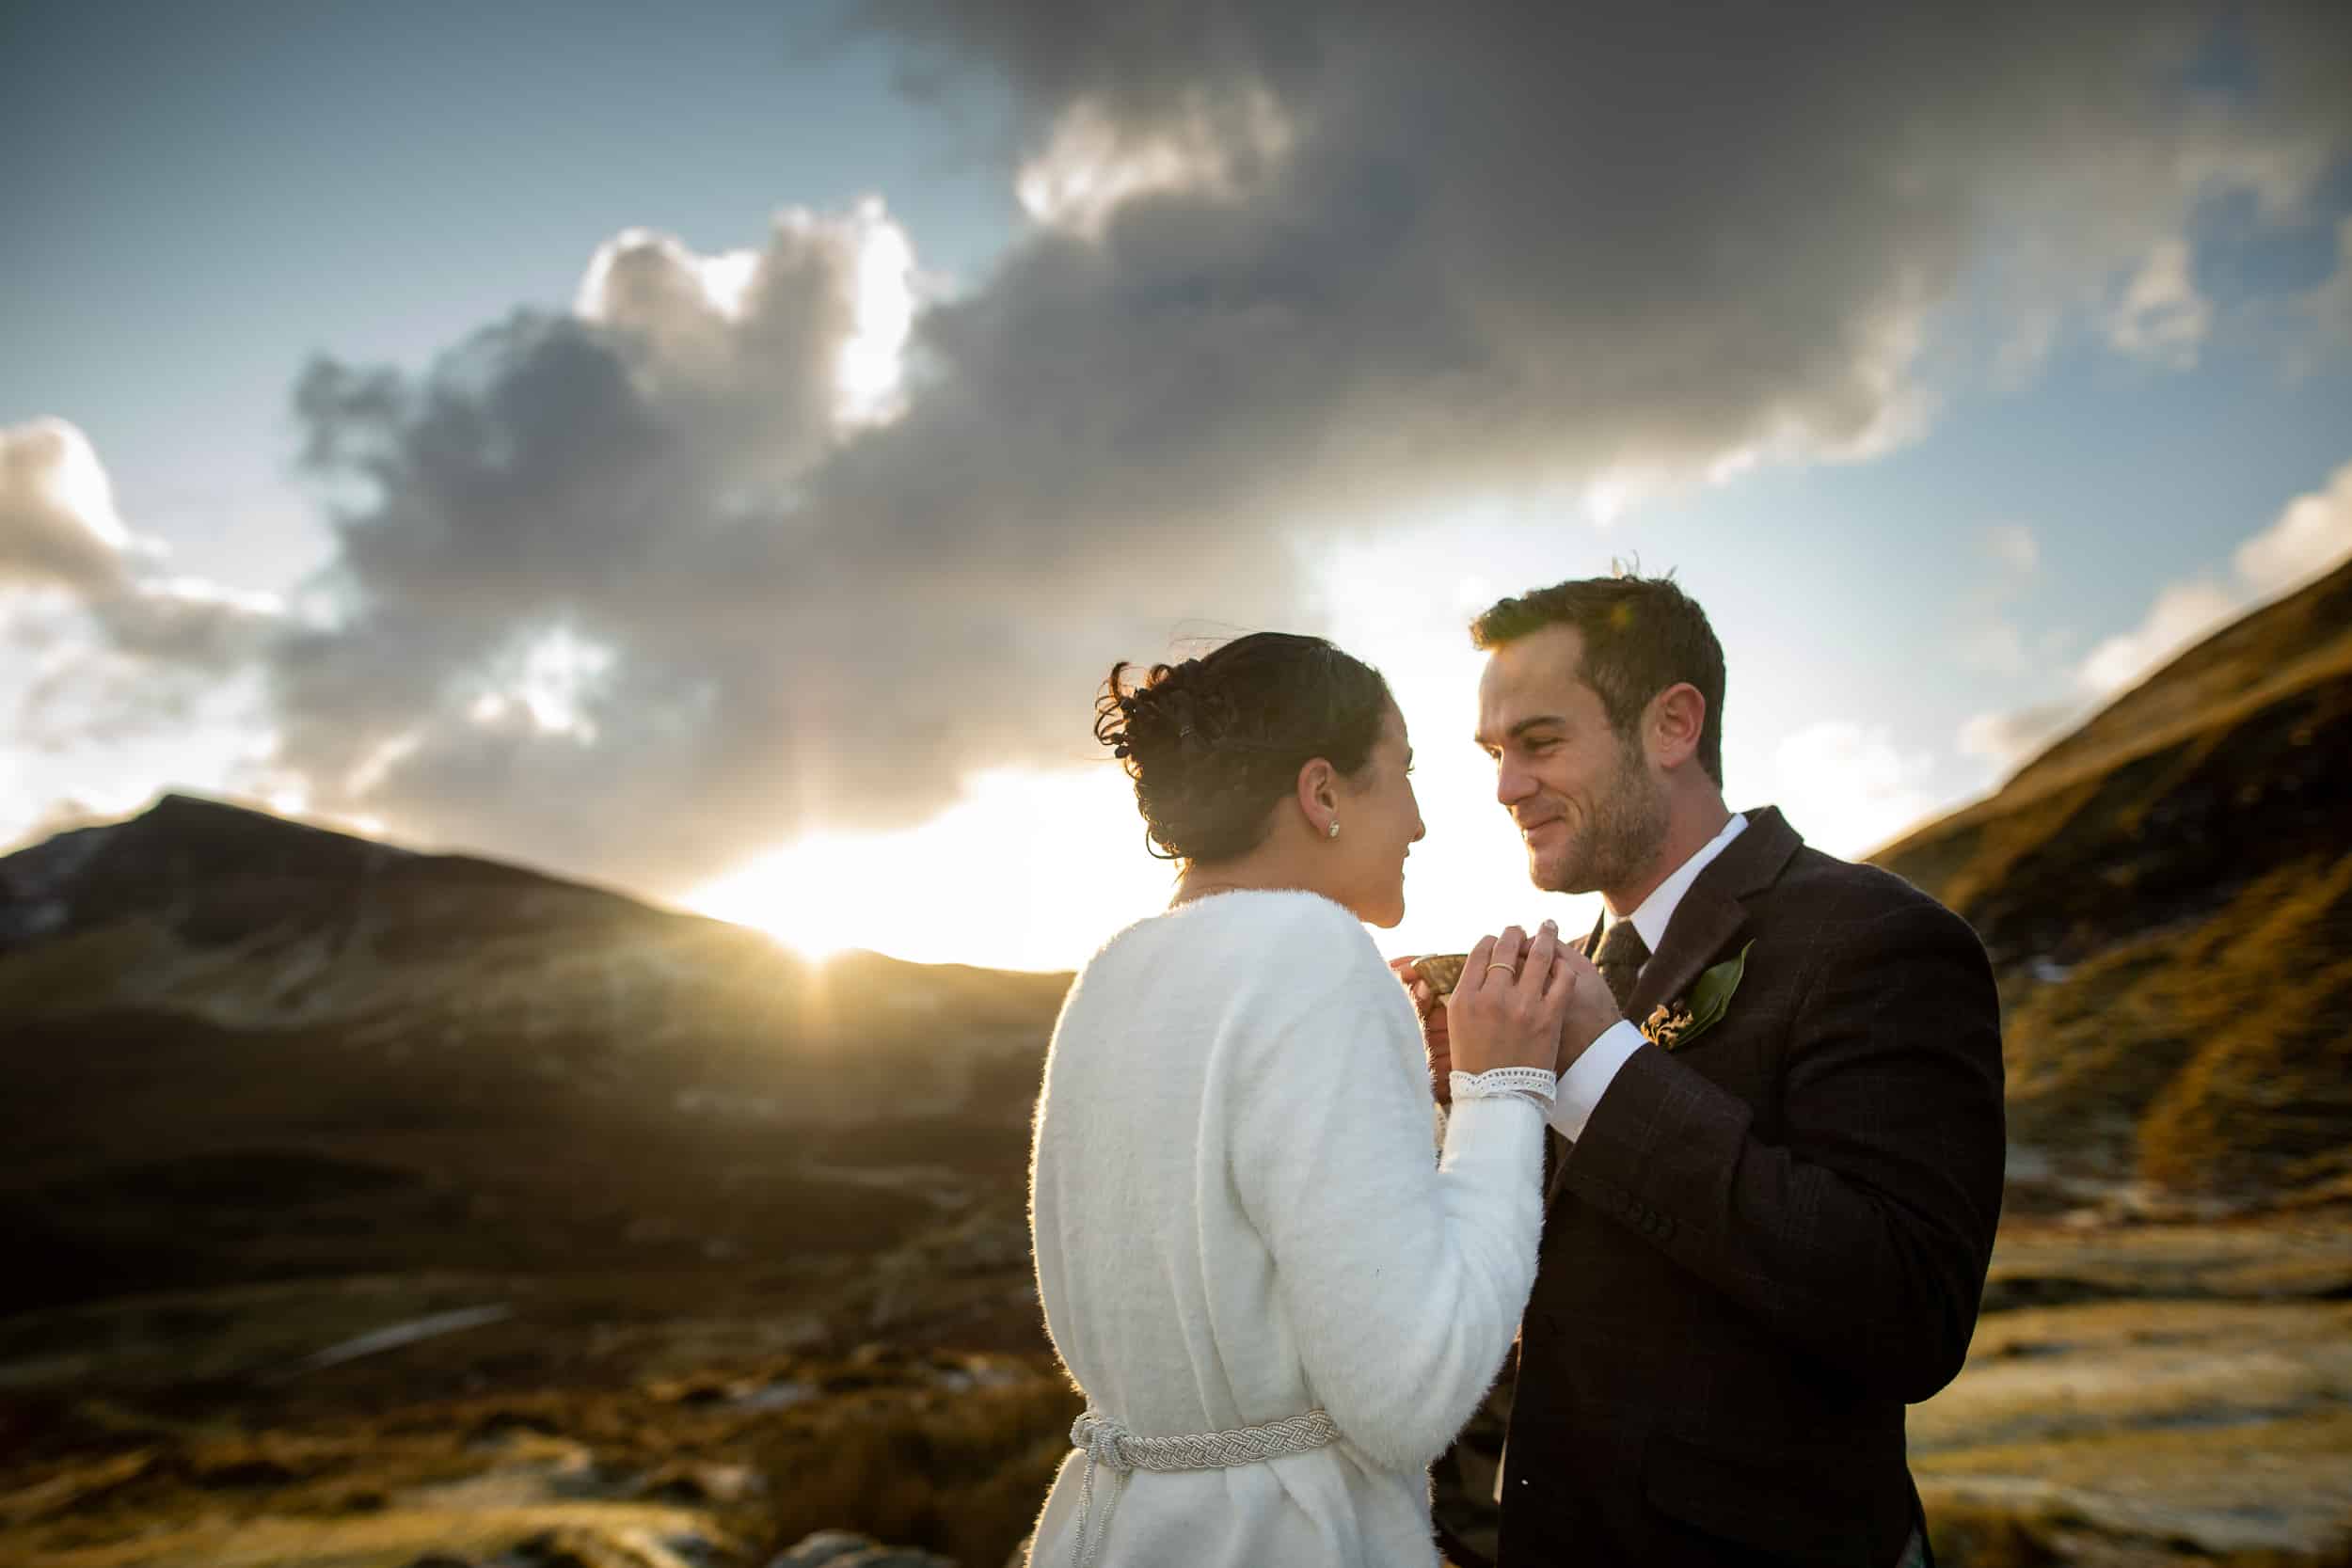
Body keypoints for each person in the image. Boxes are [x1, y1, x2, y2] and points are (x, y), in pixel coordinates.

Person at [1402, 575, 2005, 1567]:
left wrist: (1599, 1066)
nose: (1506, 785)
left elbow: (1908, 1310)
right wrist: (1470, 1107)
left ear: (1673, 723)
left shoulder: (1877, 937)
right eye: (1495, 753)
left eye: (1540, 742)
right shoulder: (1573, 969)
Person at [1025, 630, 1615, 1567]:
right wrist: (1498, 1085)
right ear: (1323, 791)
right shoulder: (1315, 957)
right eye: (1402, 769)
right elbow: (1410, 1394)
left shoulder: (1111, 973)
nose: (1419, 819)